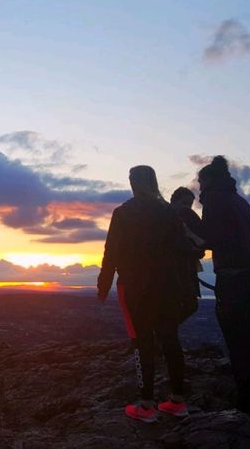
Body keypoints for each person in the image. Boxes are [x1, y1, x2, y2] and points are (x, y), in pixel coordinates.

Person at [97, 166, 191, 423]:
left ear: (132, 182)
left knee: (142, 342)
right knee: (171, 339)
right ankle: (177, 401)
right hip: (169, 286)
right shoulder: (170, 213)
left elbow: (111, 252)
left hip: (136, 287)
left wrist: (103, 286)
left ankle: (146, 405)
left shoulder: (123, 213)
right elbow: (185, 249)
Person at [197, 156, 250, 412]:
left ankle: (249, 397)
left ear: (209, 181)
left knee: (239, 336)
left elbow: (209, 238)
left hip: (234, 277)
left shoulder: (214, 199)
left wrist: (187, 233)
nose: (199, 189)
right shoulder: (240, 202)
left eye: (201, 183)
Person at [170, 187, 205, 321]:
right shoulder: (167, 219)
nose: (187, 208)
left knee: (189, 305)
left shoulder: (188, 217)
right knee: (188, 305)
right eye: (184, 203)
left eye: (190, 205)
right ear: (174, 201)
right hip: (178, 271)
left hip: (187, 269)